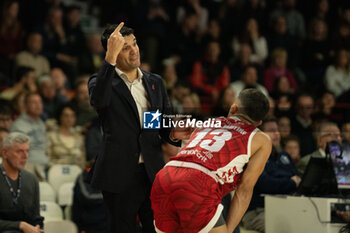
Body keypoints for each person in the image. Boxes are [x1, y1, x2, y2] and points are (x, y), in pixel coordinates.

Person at [87, 22, 191, 233]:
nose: (134, 50)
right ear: (114, 54)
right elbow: (99, 100)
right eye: (125, 48)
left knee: (159, 229)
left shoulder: (155, 82)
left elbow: (162, 124)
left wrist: (176, 133)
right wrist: (108, 59)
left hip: (152, 172)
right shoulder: (101, 82)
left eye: (134, 44)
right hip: (118, 174)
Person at [151, 88, 272, 233]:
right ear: (259, 123)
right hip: (199, 182)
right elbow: (244, 190)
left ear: (233, 108)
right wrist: (229, 230)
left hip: (166, 176)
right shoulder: (261, 139)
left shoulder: (209, 121)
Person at [241, 116, 300, 233]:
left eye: (277, 130)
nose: (277, 134)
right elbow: (266, 184)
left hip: (285, 207)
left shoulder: (284, 156)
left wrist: (290, 181)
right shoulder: (253, 156)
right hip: (257, 211)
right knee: (284, 227)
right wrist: (290, 182)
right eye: (272, 131)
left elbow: (297, 178)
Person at [0, 132, 44, 233]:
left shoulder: (31, 179)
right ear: (5, 153)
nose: (25, 156)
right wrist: (20, 225)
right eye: (19, 151)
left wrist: (38, 228)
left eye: (27, 151)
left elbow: (36, 217)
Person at [10, 92, 47, 180]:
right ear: (25, 105)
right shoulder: (18, 125)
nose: (38, 105)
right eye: (34, 102)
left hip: (45, 165)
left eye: (40, 102)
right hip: (28, 166)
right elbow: (16, 152)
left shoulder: (41, 123)